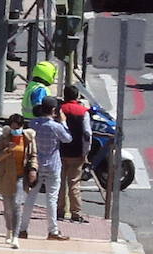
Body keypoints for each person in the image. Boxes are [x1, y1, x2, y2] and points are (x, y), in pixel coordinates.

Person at [20, 98, 71, 241]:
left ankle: (22, 229)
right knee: (51, 199)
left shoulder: (33, 124)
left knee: (30, 198)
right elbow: (68, 139)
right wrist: (64, 121)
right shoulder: (57, 127)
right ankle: (53, 231)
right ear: (54, 111)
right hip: (53, 166)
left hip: (35, 166)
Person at [0, 113, 36, 249]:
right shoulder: (4, 138)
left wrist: (33, 169)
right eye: (13, 128)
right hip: (6, 176)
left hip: (20, 177)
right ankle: (9, 229)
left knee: (17, 205)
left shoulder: (27, 139)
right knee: (8, 208)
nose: (15, 130)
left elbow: (33, 155)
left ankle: (16, 237)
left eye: (17, 128)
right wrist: (7, 150)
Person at [57, 86, 91, 223]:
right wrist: (85, 152)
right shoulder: (83, 112)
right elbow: (87, 134)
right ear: (77, 97)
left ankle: (59, 210)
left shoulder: (59, 110)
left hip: (60, 151)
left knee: (59, 182)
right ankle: (75, 213)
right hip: (77, 152)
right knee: (74, 183)